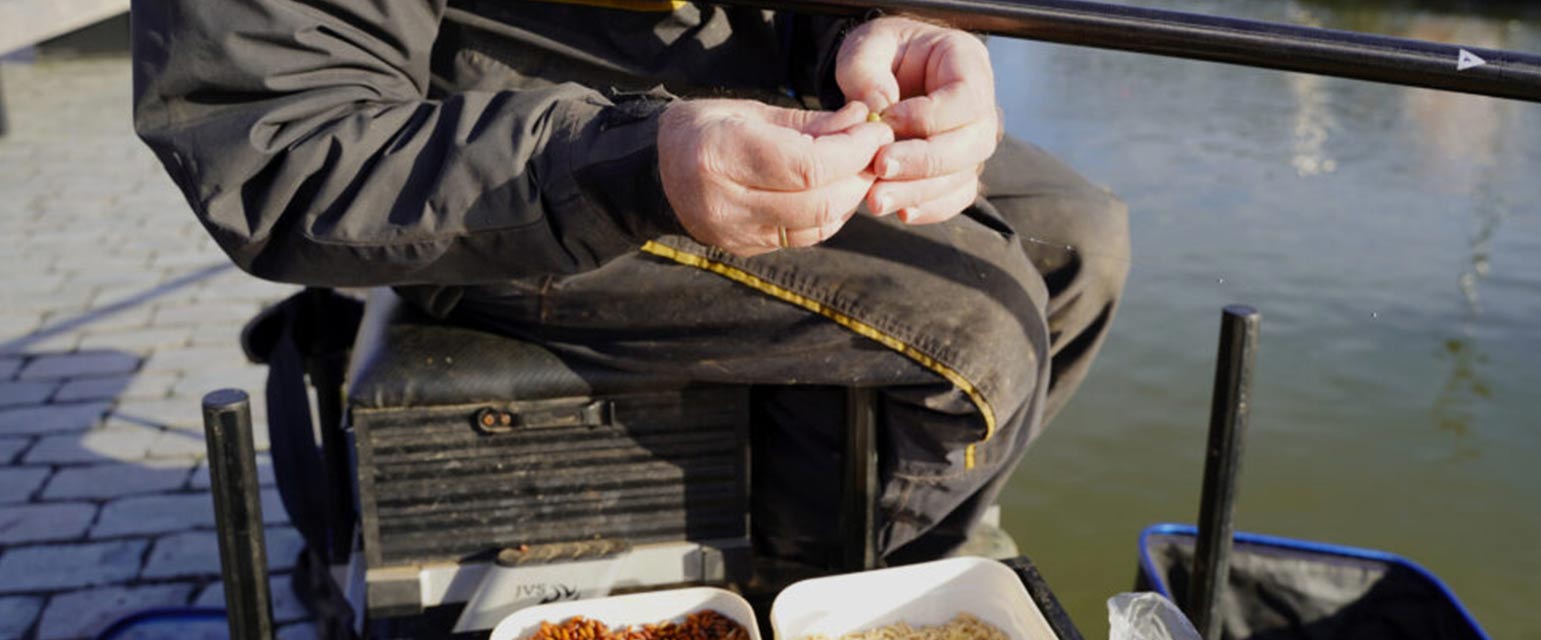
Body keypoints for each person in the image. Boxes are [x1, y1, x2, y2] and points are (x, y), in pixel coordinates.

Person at [131, 1, 1129, 565]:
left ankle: (918, 539)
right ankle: (813, 599)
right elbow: (282, 150)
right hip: (479, 183)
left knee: (1077, 239)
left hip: (726, 99)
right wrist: (632, 164)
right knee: (971, 328)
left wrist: (872, 34)